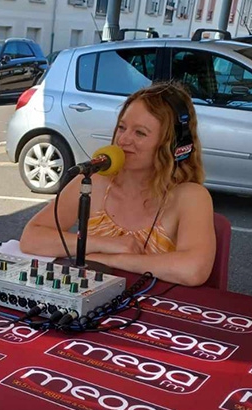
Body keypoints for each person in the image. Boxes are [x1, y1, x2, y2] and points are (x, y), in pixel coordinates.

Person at [20, 81, 216, 287]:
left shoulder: (190, 196)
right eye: (121, 127)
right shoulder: (93, 182)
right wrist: (106, 245)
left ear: (173, 144)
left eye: (140, 133)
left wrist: (111, 260)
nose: (123, 140)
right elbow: (32, 237)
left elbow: (194, 269)